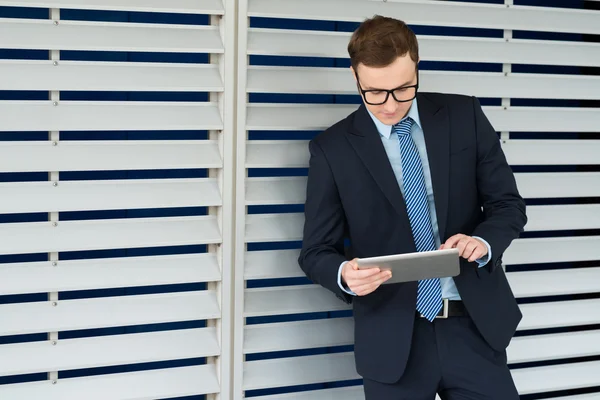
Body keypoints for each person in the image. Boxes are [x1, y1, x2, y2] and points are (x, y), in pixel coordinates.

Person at [298, 15, 527, 400]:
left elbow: (508, 205)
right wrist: (344, 274)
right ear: (356, 78)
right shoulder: (332, 149)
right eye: (375, 92)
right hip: (391, 340)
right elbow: (315, 252)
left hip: (474, 329)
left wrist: (483, 242)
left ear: (417, 67)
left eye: (403, 89)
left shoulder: (465, 116)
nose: (389, 105)